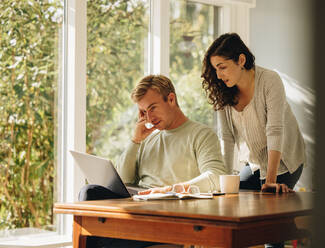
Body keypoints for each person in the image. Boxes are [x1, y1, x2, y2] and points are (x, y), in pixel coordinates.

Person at [79, 74, 227, 248]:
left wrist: (171, 190)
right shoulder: (148, 139)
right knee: (90, 192)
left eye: (153, 108)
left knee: (98, 238)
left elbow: (216, 175)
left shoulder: (201, 134)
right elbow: (124, 180)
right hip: (139, 215)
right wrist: (135, 141)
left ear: (171, 99)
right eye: (143, 112)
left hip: (171, 221)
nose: (148, 117)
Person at [201, 33, 306, 247]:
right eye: (215, 69)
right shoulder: (224, 91)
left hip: (284, 161)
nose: (219, 76)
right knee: (231, 210)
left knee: (270, 227)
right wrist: (226, 179)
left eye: (222, 67)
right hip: (255, 162)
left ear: (241, 60)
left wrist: (271, 180)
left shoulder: (269, 80)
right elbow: (228, 138)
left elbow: (275, 130)